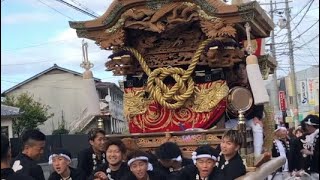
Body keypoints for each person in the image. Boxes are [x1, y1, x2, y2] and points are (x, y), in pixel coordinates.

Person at [225, 61, 264, 157]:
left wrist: (257, 117)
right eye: (239, 69)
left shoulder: (253, 85)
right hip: (235, 118)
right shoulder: (232, 86)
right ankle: (232, 155)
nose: (242, 71)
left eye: (243, 68)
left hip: (250, 118)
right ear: (236, 72)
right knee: (226, 127)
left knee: (257, 128)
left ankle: (257, 155)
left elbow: (259, 102)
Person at [290, 114, 319, 180]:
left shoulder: (317, 136)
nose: (306, 128)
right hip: (312, 170)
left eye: (307, 126)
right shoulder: (313, 136)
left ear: (310, 125)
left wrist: (310, 153)